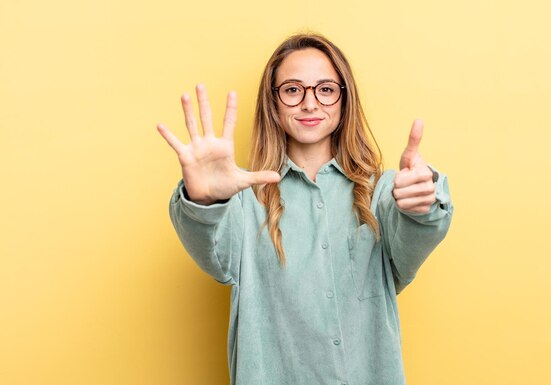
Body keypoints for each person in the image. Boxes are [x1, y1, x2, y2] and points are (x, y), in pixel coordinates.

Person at [157, 33, 453, 385]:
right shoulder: (243, 202)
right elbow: (212, 252)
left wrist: (422, 203)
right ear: (274, 103)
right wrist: (204, 199)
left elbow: (416, 234)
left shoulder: (382, 194)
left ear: (344, 100)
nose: (310, 104)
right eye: (293, 90)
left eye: (325, 89)